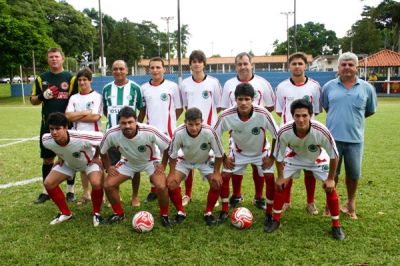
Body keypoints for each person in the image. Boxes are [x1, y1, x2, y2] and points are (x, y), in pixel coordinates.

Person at [265, 99, 345, 240]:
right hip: (294, 157)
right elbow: (278, 155)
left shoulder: (321, 131)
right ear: (292, 115)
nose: (301, 119)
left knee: (330, 188)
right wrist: (281, 176)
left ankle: (336, 225)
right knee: (281, 185)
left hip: (317, 158)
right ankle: (275, 220)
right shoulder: (284, 131)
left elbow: (334, 156)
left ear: (310, 115)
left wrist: (331, 179)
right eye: (297, 116)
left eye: (304, 115)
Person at [322, 52, 377, 219]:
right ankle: (330, 204)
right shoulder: (329, 87)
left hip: (355, 140)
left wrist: (353, 122)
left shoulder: (367, 88)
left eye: (350, 64)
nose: (347, 67)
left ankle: (351, 203)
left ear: (356, 67)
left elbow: (369, 110)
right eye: (343, 64)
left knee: (353, 174)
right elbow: (326, 107)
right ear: (338, 68)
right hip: (332, 140)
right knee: (332, 175)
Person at [214, 83, 279, 223]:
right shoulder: (226, 115)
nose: (243, 103)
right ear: (235, 99)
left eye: (247, 99)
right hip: (238, 152)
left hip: (261, 153)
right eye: (240, 99)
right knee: (224, 176)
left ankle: (269, 213)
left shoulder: (263, 113)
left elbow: (277, 135)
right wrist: (224, 157)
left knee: (269, 178)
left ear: (252, 99)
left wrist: (272, 157)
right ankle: (224, 210)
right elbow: (214, 136)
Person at [219, 52, 275, 210]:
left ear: (252, 64)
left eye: (245, 63)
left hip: (258, 132)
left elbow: (269, 107)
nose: (243, 66)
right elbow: (225, 109)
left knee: (259, 167)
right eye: (239, 64)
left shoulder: (263, 83)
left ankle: (259, 197)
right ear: (235, 66)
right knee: (237, 165)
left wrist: (256, 120)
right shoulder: (229, 84)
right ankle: (236, 195)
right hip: (237, 134)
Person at [100, 106, 172, 226]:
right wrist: (108, 167)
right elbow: (102, 151)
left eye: (130, 122)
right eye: (123, 123)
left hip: (150, 161)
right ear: (119, 123)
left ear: (136, 120)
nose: (127, 126)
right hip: (128, 162)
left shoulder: (149, 130)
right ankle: (119, 213)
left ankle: (164, 215)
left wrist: (163, 164)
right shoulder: (112, 133)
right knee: (108, 185)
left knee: (161, 186)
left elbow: (169, 146)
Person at [275, 52, 322, 215]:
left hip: (309, 135)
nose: (297, 66)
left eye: (300, 63)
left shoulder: (315, 86)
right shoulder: (281, 87)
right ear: (289, 66)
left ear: (306, 66)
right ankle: (286, 201)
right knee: (287, 168)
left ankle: (310, 202)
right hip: (289, 137)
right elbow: (280, 111)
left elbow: (315, 111)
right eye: (293, 63)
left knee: (310, 169)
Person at [30, 47, 79, 204]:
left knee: (69, 158)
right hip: (47, 126)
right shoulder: (41, 78)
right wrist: (42, 96)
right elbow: (32, 100)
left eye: (57, 56)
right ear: (48, 59)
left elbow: (77, 99)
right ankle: (47, 191)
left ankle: (70, 191)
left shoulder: (70, 78)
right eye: (51, 57)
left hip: (67, 126)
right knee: (47, 159)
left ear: (62, 59)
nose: (54, 59)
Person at [42, 112, 104, 226]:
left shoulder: (80, 136)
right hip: (69, 163)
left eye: (58, 128)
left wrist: (96, 157)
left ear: (66, 128)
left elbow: (102, 139)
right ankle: (65, 213)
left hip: (89, 162)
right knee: (49, 183)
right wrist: (60, 156)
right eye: (51, 129)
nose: (54, 132)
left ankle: (97, 214)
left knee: (96, 183)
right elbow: (55, 147)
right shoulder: (46, 139)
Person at [167, 108, 224, 225]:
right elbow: (172, 155)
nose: (194, 128)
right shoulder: (179, 132)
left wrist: (217, 172)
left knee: (217, 183)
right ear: (185, 122)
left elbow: (219, 154)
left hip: (205, 160)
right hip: (185, 160)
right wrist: (171, 173)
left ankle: (208, 212)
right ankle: (180, 211)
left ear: (202, 122)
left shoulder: (209, 132)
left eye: (197, 124)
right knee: (171, 184)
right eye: (190, 124)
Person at [180, 50, 222, 206]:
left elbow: (218, 105)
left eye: (199, 61)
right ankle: (188, 194)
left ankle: (214, 194)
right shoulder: (184, 84)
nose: (196, 64)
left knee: (211, 160)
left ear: (204, 63)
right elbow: (185, 105)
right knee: (188, 158)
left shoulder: (213, 82)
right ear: (190, 64)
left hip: (209, 129)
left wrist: (208, 123)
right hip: (191, 129)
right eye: (193, 61)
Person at [138, 57, 183, 202]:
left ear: (164, 69)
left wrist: (170, 121)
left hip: (169, 130)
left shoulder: (172, 86)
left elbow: (179, 108)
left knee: (172, 159)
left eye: (158, 67)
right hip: (151, 131)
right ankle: (154, 189)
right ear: (149, 70)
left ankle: (172, 186)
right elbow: (143, 110)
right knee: (154, 160)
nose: (155, 70)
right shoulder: (144, 88)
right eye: (152, 67)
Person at [102, 60, 143, 207]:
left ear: (127, 70)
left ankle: (135, 196)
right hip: (113, 136)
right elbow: (106, 110)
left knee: (135, 166)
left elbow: (142, 108)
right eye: (115, 69)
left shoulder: (135, 88)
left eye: (121, 69)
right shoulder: (106, 89)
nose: (118, 71)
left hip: (131, 136)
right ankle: (116, 194)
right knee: (112, 167)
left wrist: (136, 126)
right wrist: (114, 123)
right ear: (111, 71)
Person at [65, 68, 103, 205]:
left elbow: (95, 117)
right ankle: (86, 194)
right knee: (82, 165)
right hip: (77, 136)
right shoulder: (74, 97)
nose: (82, 82)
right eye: (80, 80)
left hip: (94, 136)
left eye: (85, 80)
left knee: (96, 165)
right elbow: (68, 116)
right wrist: (84, 112)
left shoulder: (97, 96)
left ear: (90, 80)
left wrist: (76, 116)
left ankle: (100, 194)